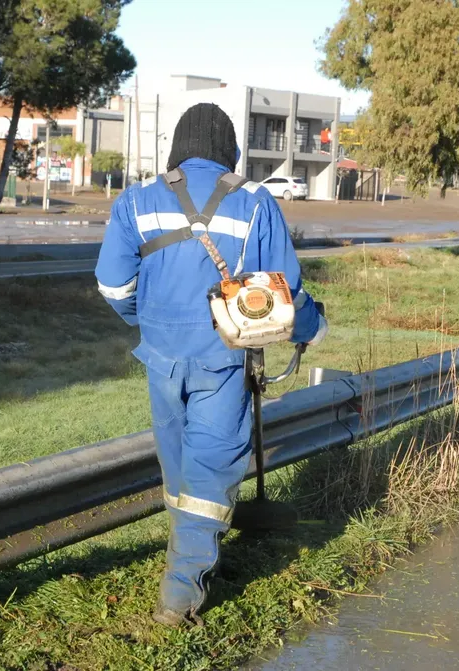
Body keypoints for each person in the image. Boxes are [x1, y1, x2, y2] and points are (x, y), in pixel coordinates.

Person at [94, 103, 327, 627]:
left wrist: (148, 318)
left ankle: (190, 560)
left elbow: (112, 284)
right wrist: (314, 328)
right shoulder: (254, 203)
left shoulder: (135, 200)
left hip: (160, 356)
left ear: (177, 145)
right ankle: (181, 597)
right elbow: (285, 293)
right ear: (229, 149)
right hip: (225, 358)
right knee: (209, 466)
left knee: (178, 464)